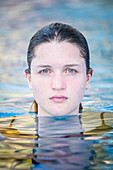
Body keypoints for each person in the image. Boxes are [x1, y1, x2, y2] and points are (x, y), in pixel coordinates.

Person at [25, 22, 93, 117]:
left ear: (88, 78)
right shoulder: (5, 130)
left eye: (70, 71)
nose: (58, 85)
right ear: (29, 79)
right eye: (45, 71)